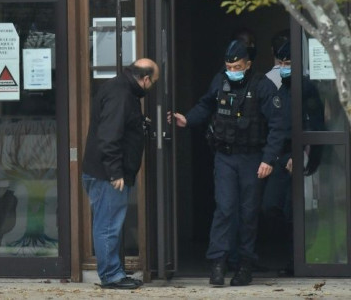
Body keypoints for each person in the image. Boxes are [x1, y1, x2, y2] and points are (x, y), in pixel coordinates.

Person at [169, 40, 287, 287]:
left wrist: (268, 159)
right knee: (224, 208)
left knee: (248, 212)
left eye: (237, 66)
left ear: (248, 64)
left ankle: (244, 265)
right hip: (225, 157)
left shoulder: (262, 86)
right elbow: (205, 104)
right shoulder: (219, 81)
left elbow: (277, 126)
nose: (232, 70)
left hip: (253, 158)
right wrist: (187, 120)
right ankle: (218, 264)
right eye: (229, 66)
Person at [82, 58, 159, 290]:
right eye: (153, 82)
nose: (151, 86)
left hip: (104, 171)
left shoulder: (117, 87)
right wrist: (116, 172)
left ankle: (114, 271)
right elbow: (109, 136)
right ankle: (111, 276)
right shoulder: (122, 95)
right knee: (108, 225)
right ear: (145, 79)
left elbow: (117, 126)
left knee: (109, 223)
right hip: (108, 174)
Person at [262, 30, 324, 277]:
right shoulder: (269, 82)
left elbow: (315, 122)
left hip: (300, 153)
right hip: (277, 153)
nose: (283, 67)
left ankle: (297, 259)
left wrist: (304, 155)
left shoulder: (306, 86)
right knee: (271, 207)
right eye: (279, 62)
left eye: (287, 63)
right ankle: (292, 254)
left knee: (298, 209)